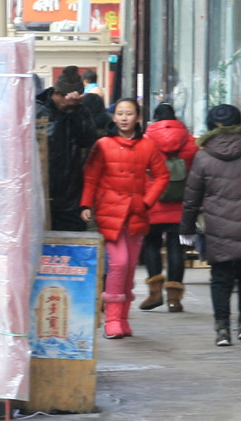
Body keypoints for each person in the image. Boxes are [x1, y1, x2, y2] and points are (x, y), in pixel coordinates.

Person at [180, 102, 241, 347]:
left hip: (218, 228)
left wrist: (187, 229)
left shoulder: (202, 157)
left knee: (221, 278)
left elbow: (191, 196)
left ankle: (222, 329)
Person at [80, 97, 170, 339]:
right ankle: (111, 320)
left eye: (129, 113)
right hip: (110, 211)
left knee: (130, 265)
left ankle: (122, 319)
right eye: (119, 113)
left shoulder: (148, 146)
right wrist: (86, 203)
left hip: (136, 213)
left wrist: (147, 201)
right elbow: (91, 177)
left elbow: (162, 176)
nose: (123, 118)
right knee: (118, 263)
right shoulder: (103, 145)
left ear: (138, 117)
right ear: (114, 116)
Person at [139, 102, 198, 312]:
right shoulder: (190, 143)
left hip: (153, 201)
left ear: (155, 119)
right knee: (176, 248)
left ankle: (154, 293)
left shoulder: (145, 141)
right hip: (180, 204)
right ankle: (174, 299)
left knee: (152, 244)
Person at [34, 68, 100, 232]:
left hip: (70, 191)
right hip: (40, 189)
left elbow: (89, 140)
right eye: (68, 102)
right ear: (56, 93)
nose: (70, 105)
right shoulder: (37, 110)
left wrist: (75, 111)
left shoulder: (79, 110)